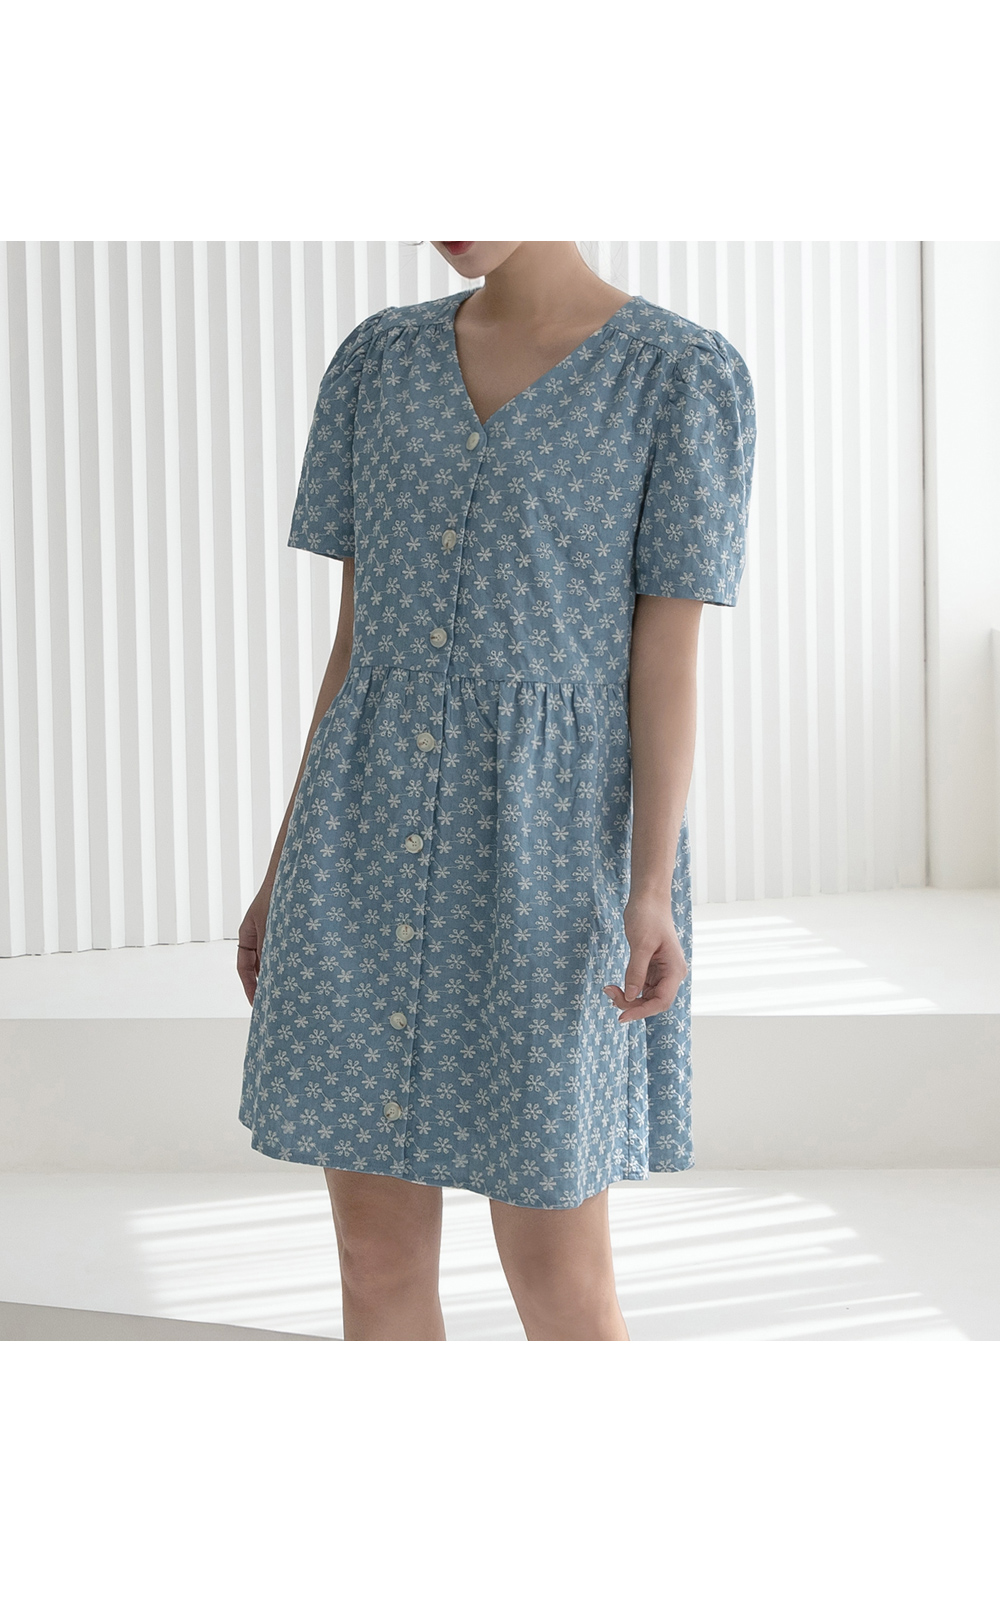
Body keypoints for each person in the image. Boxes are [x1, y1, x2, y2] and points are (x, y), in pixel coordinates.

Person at [236, 241, 756, 1341]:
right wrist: (285, 866)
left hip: (551, 851)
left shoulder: (678, 373)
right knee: (374, 1259)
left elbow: (666, 661)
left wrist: (648, 889)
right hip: (361, 832)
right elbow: (354, 642)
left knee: (557, 1276)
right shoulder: (377, 361)